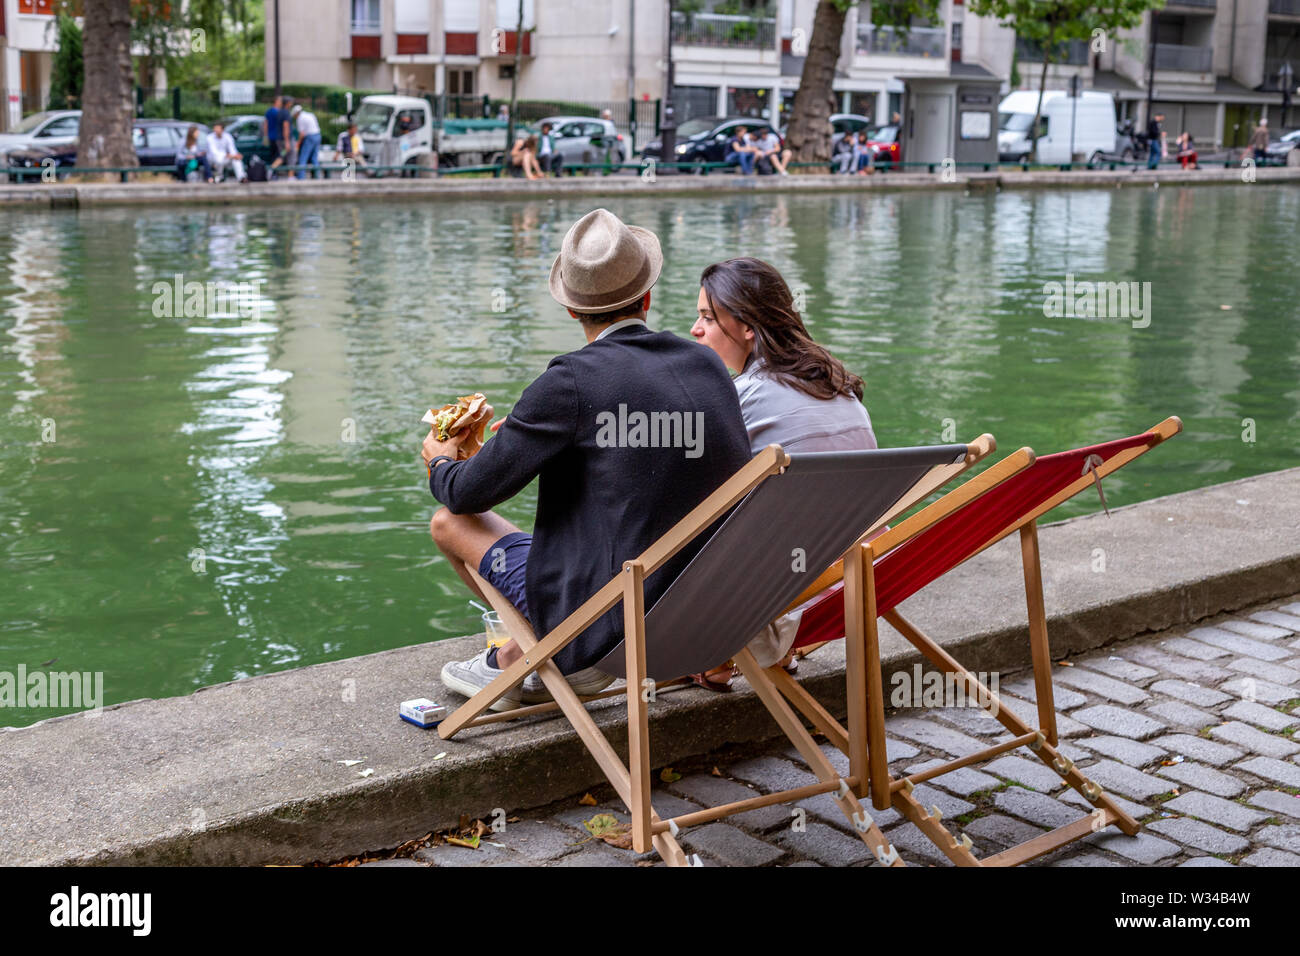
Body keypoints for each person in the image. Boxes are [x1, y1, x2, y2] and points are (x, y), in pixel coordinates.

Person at [428, 208, 753, 709]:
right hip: (709, 611)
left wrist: (442, 460)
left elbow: (467, 493)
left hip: (609, 624)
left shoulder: (569, 380)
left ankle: (537, 657)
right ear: (647, 297)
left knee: (448, 521)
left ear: (572, 310)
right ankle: (525, 656)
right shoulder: (706, 363)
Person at [689, 256, 878, 685]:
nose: (695, 329)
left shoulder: (742, 397)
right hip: (846, 587)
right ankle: (742, 655)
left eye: (707, 318)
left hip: (777, 600)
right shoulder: (840, 388)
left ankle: (723, 653)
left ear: (748, 327)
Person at [292, 104, 322, 180]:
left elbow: (302, 134)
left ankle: (301, 177)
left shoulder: (300, 118)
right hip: (318, 135)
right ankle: (316, 176)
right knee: (314, 158)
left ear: (296, 113)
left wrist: (298, 144)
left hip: (310, 137)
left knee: (303, 158)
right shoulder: (310, 114)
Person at [263, 94, 290, 177]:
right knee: (281, 155)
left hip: (271, 137)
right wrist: (287, 140)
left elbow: (265, 124)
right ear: (277, 102)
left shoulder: (269, 111)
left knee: (273, 156)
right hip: (279, 138)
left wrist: (265, 136)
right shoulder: (280, 113)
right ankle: (272, 172)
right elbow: (285, 126)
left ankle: (273, 173)